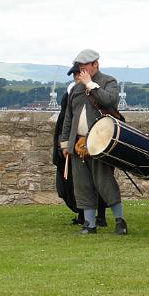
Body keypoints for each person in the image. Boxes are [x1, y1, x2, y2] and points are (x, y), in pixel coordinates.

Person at [59, 49, 127, 235]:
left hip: (100, 141)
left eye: (85, 67)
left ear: (95, 64)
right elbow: (68, 117)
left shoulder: (108, 82)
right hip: (79, 143)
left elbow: (110, 100)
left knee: (104, 182)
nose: (82, 71)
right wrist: (65, 143)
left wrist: (91, 85)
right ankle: (89, 224)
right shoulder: (76, 89)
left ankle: (119, 221)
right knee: (83, 184)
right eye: (80, 68)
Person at [53, 68, 107, 226]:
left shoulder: (95, 90)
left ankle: (100, 216)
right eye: (76, 75)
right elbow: (66, 120)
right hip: (74, 142)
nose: (77, 77)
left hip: (95, 141)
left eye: (79, 74)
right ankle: (84, 215)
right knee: (79, 182)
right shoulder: (70, 94)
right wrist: (64, 144)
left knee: (99, 180)